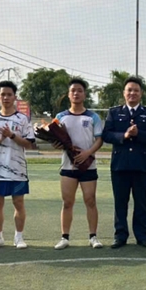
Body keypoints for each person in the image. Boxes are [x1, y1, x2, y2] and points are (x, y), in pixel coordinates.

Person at [102, 76, 146, 248]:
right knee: (120, 202)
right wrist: (125, 135)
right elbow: (107, 135)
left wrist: (138, 134)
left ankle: (142, 236)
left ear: (141, 93)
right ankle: (120, 236)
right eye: (129, 90)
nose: (132, 93)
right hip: (120, 165)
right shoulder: (114, 112)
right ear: (124, 93)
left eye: (136, 90)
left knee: (141, 202)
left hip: (141, 165)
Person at [0, 80, 35, 250]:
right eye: (3, 94)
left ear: (14, 97)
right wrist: (0, 139)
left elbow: (29, 144)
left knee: (18, 203)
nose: (6, 97)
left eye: (9, 94)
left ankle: (19, 237)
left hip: (18, 169)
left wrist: (11, 135)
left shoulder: (22, 119)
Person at [54, 78, 104, 250]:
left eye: (80, 90)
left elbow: (99, 140)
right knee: (67, 202)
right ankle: (64, 237)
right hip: (68, 166)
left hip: (88, 166)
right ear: (68, 95)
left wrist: (87, 153)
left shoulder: (93, 117)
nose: (76, 93)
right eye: (73, 90)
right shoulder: (60, 117)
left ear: (84, 94)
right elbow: (56, 139)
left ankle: (93, 237)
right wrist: (56, 144)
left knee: (90, 200)